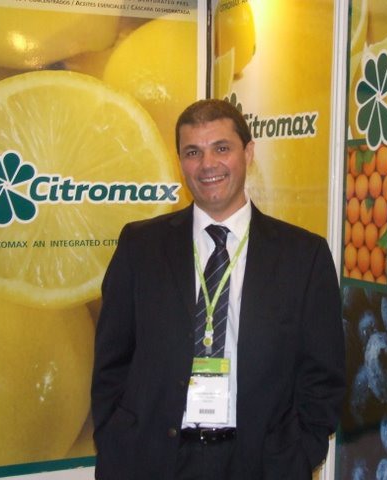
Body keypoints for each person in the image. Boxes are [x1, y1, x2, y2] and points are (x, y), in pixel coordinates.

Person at [91, 98, 345, 480]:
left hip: (259, 463)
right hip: (153, 460)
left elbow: (323, 375)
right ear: (180, 162)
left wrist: (297, 454)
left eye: (221, 148)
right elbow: (111, 361)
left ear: (248, 153)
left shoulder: (303, 256)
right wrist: (115, 440)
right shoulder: (140, 247)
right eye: (193, 152)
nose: (207, 164)